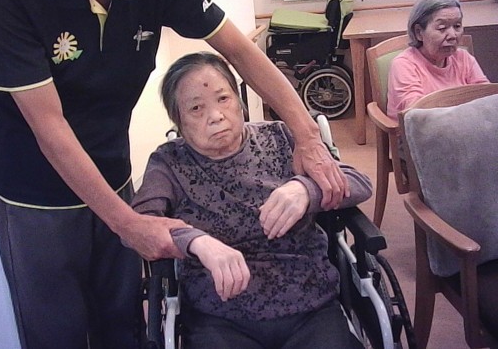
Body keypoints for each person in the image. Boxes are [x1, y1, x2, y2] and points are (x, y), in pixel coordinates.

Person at [0, 0, 349, 347]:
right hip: (35, 193)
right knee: (57, 326)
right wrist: (126, 224)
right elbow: (49, 126)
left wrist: (307, 136)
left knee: (123, 316)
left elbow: (240, 50)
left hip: (111, 168)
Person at [132, 52, 373, 349]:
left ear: (239, 101)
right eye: (196, 108)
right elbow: (140, 225)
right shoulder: (170, 162)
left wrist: (306, 189)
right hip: (219, 315)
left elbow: (360, 182)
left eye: (223, 99)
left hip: (309, 305)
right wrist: (196, 241)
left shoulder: (281, 137)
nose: (216, 116)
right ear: (178, 121)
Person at [387, 0, 489, 121]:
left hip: (463, 124)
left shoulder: (464, 58)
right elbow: (416, 112)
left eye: (457, 26)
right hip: (420, 130)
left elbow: (487, 96)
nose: (452, 35)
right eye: (442, 28)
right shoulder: (404, 64)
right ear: (419, 32)